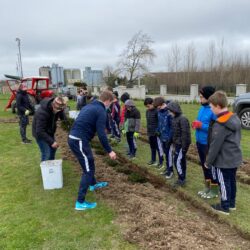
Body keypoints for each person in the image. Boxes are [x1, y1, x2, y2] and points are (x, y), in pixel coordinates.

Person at [68, 90, 116, 211]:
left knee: (89, 163)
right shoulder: (100, 110)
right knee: (88, 170)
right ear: (107, 101)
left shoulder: (90, 105)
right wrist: (109, 150)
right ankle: (80, 202)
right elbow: (101, 134)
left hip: (77, 138)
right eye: (110, 103)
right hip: (79, 140)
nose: (110, 106)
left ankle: (93, 184)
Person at [205, 91, 242, 215]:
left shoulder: (221, 124)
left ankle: (224, 206)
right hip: (234, 158)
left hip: (223, 160)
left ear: (218, 106)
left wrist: (208, 162)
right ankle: (231, 204)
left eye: (211, 107)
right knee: (231, 180)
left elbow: (215, 146)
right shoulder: (234, 118)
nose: (211, 109)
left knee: (223, 182)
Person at [192, 86, 219, 199]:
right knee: (204, 166)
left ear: (209, 98)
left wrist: (201, 125)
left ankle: (214, 190)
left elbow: (216, 129)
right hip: (200, 142)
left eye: (202, 97)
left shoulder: (213, 111)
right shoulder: (202, 108)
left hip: (208, 144)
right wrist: (195, 124)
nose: (200, 99)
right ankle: (207, 187)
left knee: (210, 167)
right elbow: (201, 122)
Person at [32, 96, 67, 161]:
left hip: (49, 131)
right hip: (40, 134)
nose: (59, 111)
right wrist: (52, 142)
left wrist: (67, 122)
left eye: (60, 109)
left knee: (53, 148)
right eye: (58, 109)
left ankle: (51, 165)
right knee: (46, 152)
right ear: (53, 105)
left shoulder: (57, 108)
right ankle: (45, 169)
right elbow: (39, 131)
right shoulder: (42, 113)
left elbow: (62, 115)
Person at [167, 101, 191, 187]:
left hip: (181, 144)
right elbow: (174, 132)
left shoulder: (183, 119)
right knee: (181, 161)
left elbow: (185, 134)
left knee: (177, 161)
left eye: (170, 111)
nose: (169, 113)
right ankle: (182, 177)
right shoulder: (174, 119)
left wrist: (184, 147)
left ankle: (181, 179)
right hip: (176, 143)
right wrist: (170, 141)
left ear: (174, 110)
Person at [153, 97, 173, 177]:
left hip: (168, 138)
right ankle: (167, 168)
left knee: (169, 155)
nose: (157, 108)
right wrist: (157, 130)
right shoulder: (159, 112)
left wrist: (170, 138)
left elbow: (172, 127)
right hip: (162, 137)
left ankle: (170, 171)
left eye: (158, 106)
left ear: (162, 104)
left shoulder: (169, 113)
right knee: (165, 154)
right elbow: (160, 123)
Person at [144, 97, 164, 168]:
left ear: (152, 103)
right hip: (150, 132)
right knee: (152, 147)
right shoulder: (147, 112)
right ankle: (153, 160)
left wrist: (158, 131)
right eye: (146, 107)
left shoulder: (157, 111)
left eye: (148, 106)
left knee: (159, 148)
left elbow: (160, 122)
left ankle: (161, 161)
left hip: (156, 133)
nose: (148, 108)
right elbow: (148, 122)